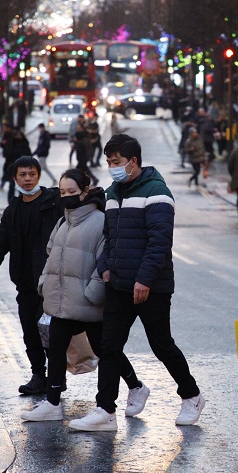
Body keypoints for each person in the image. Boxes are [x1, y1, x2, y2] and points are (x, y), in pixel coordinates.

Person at [69, 134, 205, 432]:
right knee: (109, 345)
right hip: (117, 283)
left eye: (116, 162)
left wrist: (144, 279)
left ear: (133, 162)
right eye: (108, 162)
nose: (112, 167)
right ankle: (105, 410)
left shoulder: (157, 192)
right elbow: (108, 236)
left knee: (161, 344)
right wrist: (105, 268)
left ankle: (192, 395)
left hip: (151, 286)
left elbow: (159, 241)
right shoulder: (114, 192)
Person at [21, 169, 145, 422]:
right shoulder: (62, 221)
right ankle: (53, 402)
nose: (66, 197)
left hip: (88, 302)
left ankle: (136, 387)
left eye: (72, 192)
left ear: (85, 192)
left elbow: (105, 260)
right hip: (61, 300)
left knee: (106, 350)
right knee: (55, 349)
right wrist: (44, 283)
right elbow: (51, 255)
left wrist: (93, 294)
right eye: (62, 192)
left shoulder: (100, 221)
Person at [0, 156, 62, 396]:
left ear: (39, 176)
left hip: (50, 282)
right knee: (30, 331)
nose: (28, 179)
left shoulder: (55, 203)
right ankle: (38, 375)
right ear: (15, 179)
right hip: (24, 283)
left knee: (51, 332)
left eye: (32, 174)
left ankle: (56, 377)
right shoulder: (13, 210)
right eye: (22, 175)